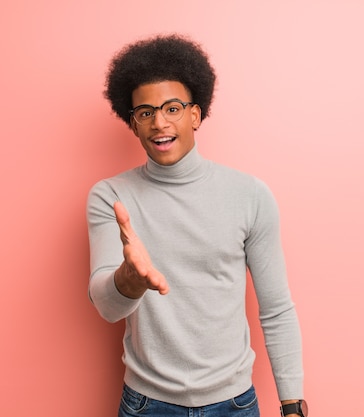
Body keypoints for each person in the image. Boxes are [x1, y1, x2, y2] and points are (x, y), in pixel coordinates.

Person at [86, 34, 307, 417]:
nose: (159, 123)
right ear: (133, 124)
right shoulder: (111, 197)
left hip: (235, 403)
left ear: (195, 114)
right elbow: (106, 306)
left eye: (172, 108)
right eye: (145, 112)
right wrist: (129, 280)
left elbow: (276, 309)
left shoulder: (250, 195)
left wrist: (292, 405)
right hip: (147, 405)